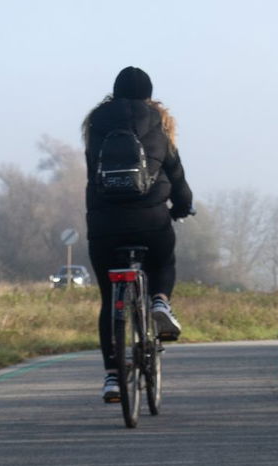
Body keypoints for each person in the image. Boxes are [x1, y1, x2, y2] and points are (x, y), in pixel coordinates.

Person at [83, 66, 193, 402]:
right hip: (151, 221)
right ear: (149, 94)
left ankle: (113, 377)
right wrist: (182, 207)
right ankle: (159, 301)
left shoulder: (96, 124)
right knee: (163, 261)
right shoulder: (159, 123)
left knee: (109, 300)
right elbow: (176, 175)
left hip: (104, 227)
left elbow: (92, 174)